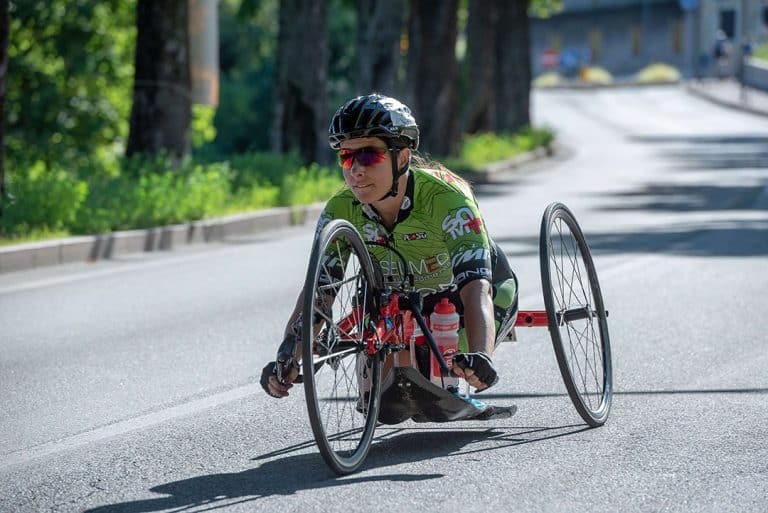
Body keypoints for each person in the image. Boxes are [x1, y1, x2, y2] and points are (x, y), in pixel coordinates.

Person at [260, 94, 518, 400]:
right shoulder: (339, 210)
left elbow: (476, 288)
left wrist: (481, 355)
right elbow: (319, 294)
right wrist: (288, 355)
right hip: (396, 304)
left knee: (452, 367)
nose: (355, 170)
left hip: (467, 298)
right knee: (381, 394)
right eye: (346, 156)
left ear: (403, 157)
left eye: (369, 156)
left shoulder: (447, 198)